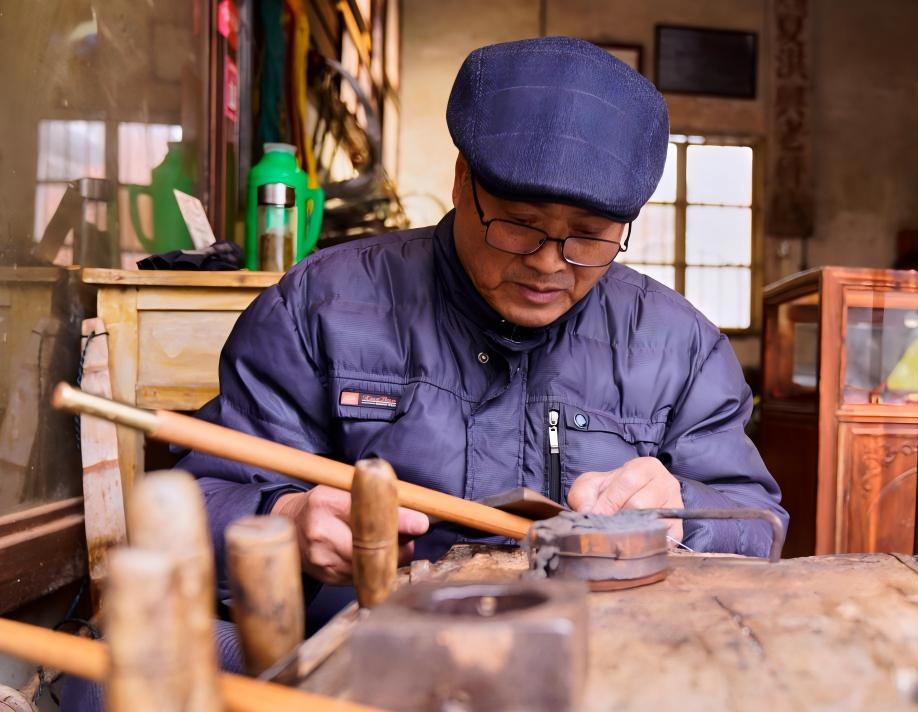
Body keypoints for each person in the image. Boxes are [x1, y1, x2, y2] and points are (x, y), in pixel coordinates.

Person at [181, 35, 787, 622]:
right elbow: (199, 497)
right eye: (520, 225)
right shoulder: (322, 306)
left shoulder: (681, 347)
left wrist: (684, 510)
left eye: (589, 236)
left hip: (606, 650)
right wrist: (286, 520)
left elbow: (757, 520)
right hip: (377, 645)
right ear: (462, 180)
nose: (550, 262)